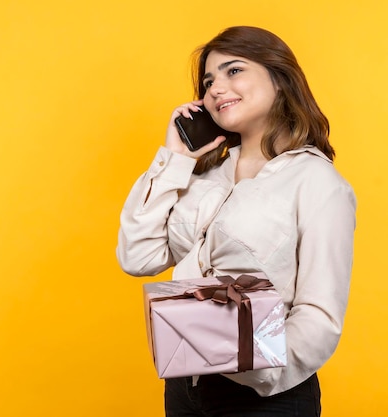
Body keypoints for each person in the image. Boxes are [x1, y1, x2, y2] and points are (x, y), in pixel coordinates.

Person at [116, 26, 356, 417]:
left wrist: (256, 371)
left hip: (266, 396)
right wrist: (175, 158)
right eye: (209, 81)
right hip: (185, 387)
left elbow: (319, 314)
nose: (215, 88)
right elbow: (137, 257)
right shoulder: (203, 178)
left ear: (279, 79)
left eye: (233, 71)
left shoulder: (316, 182)